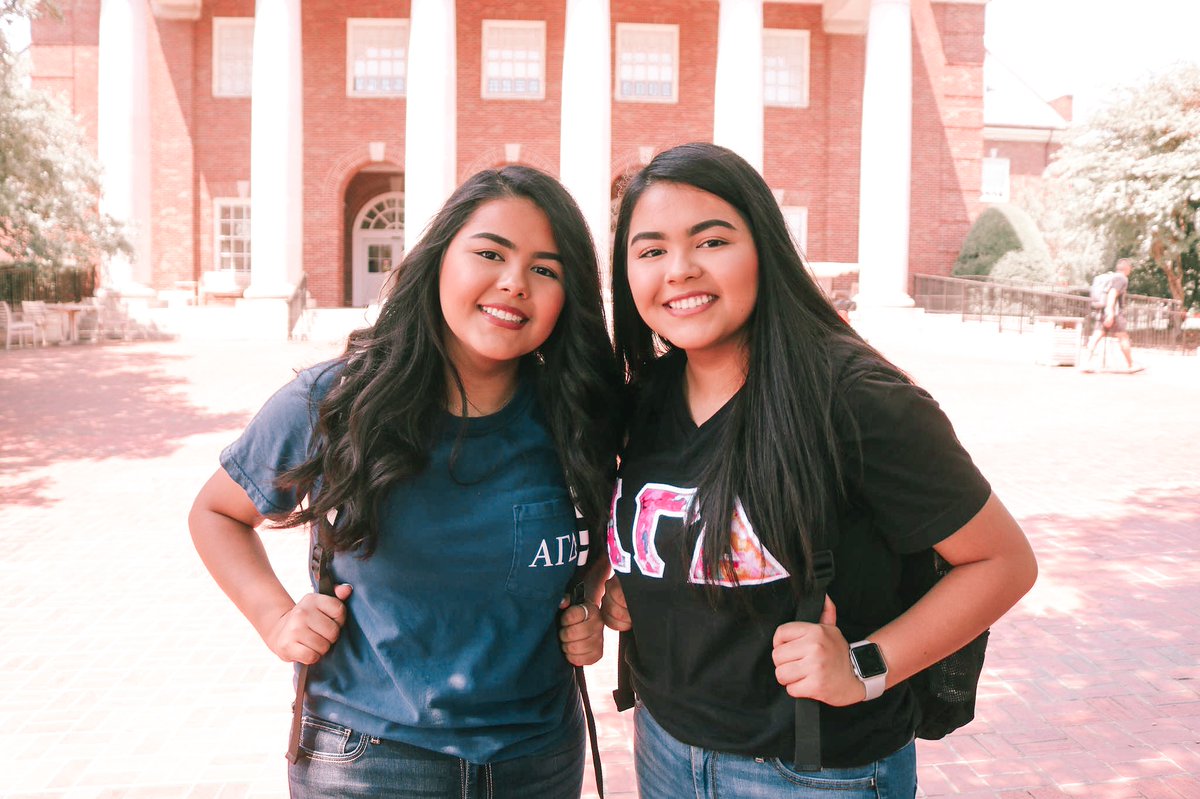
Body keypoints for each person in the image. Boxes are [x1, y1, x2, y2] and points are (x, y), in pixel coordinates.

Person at [599, 142, 1038, 798]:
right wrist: (641, 586)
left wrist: (864, 665)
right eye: (651, 250)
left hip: (813, 772)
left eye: (710, 241)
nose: (679, 270)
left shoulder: (855, 398)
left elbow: (1004, 562)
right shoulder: (647, 398)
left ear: (765, 248)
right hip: (664, 748)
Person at [189, 165, 621, 798]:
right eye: (490, 253)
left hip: (538, 757)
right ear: (440, 259)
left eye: (545, 269)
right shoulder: (337, 400)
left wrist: (586, 596)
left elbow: (609, 522)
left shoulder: (579, 416)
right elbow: (216, 513)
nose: (514, 283)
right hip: (369, 759)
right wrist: (276, 617)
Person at [1082, 257, 1142, 373]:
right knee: (1123, 337)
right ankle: (1130, 365)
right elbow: (1112, 294)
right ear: (1127, 268)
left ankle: (1085, 363)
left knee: (1096, 337)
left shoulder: (1111, 277)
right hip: (1114, 312)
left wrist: (1106, 311)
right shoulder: (1121, 278)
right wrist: (1110, 312)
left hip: (1103, 311)